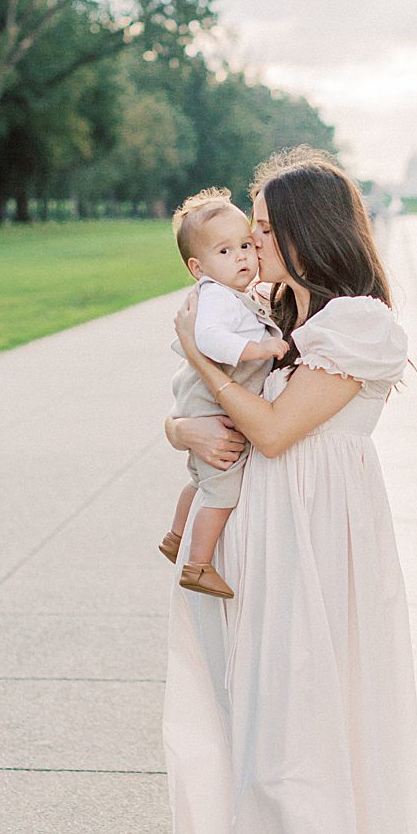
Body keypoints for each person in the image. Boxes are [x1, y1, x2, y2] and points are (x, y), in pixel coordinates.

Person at [162, 147, 417, 834]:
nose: (251, 243)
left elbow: (267, 430)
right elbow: (204, 419)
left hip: (321, 546)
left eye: (263, 228)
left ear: (306, 231)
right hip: (263, 536)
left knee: (311, 741)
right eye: (249, 231)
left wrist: (200, 357)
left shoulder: (360, 324)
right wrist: (180, 429)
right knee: (258, 742)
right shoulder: (271, 313)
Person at [161, 188, 288, 599]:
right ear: (198, 267)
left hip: (203, 405)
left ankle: (176, 536)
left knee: (198, 480)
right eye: (226, 251)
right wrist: (262, 348)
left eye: (247, 245)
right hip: (211, 405)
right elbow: (212, 341)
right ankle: (198, 564)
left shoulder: (233, 295)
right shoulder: (216, 297)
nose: (243, 257)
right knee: (222, 490)